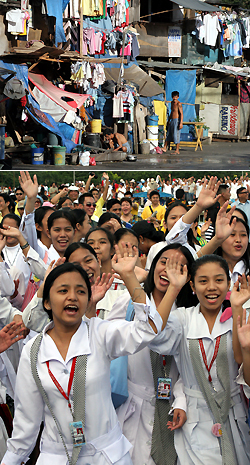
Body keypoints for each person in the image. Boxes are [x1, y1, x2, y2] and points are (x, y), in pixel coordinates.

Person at [1, 246, 169, 465]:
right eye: (63, 291)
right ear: (47, 302)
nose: (73, 297)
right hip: (58, 456)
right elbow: (26, 423)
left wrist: (129, 277)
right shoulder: (33, 351)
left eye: (81, 291)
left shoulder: (100, 332)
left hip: (108, 456)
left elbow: (148, 329)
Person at [149, 253, 250, 464]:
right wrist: (173, 289)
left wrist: (239, 310)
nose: (211, 287)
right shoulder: (182, 318)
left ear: (229, 283)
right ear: (193, 287)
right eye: (203, 281)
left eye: (219, 280)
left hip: (233, 414)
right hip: (195, 417)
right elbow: (155, 338)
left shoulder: (240, 318)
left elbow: (244, 369)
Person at [108, 243, 197, 465]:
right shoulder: (129, 303)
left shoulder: (188, 314)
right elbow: (108, 344)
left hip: (170, 408)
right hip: (130, 404)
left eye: (179, 266)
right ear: (153, 265)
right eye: (164, 262)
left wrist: (182, 401)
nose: (168, 269)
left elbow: (189, 366)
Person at [162, 91, 183, 155]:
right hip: (172, 120)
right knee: (169, 134)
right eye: (174, 97)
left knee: (176, 135)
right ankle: (165, 147)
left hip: (177, 120)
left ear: (178, 97)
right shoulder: (171, 103)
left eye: (176, 97)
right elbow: (172, 112)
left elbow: (181, 114)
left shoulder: (179, 104)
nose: (175, 99)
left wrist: (181, 123)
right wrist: (169, 120)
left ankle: (177, 150)